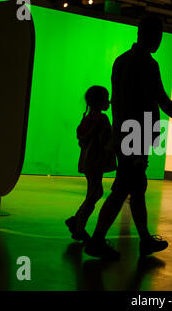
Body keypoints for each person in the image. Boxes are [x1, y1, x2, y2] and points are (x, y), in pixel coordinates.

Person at [85, 16, 172, 260]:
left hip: (125, 135)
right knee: (122, 189)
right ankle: (97, 241)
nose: (159, 40)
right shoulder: (147, 64)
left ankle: (145, 240)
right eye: (158, 35)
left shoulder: (121, 61)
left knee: (136, 189)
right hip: (135, 138)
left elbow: (122, 102)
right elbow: (162, 101)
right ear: (150, 35)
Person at [65, 86, 116, 242]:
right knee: (95, 193)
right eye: (106, 98)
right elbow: (106, 141)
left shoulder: (87, 118)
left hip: (88, 161)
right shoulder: (102, 119)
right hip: (97, 161)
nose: (109, 101)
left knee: (93, 192)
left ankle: (76, 220)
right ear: (99, 101)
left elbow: (82, 139)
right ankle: (79, 227)